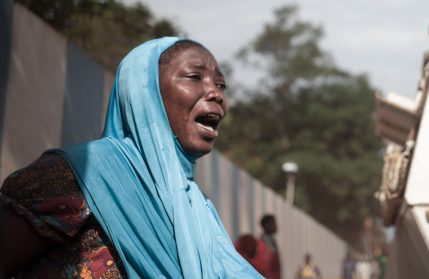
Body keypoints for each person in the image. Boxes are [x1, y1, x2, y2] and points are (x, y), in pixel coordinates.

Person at [0, 37, 263, 278]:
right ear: (145, 92)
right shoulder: (79, 175)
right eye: (195, 76)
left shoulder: (196, 206)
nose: (217, 94)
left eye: (221, 85)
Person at [260, 213, 282, 279]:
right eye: (273, 223)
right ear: (266, 225)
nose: (276, 226)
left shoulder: (271, 240)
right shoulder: (264, 241)